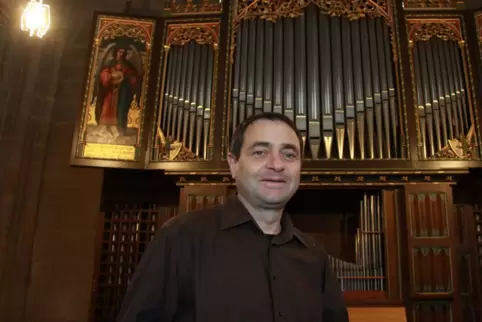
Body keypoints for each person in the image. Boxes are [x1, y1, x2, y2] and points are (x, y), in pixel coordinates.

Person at [116, 112, 349, 322]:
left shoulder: (315, 256)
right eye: (260, 152)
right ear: (233, 164)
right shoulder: (180, 238)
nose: (276, 164)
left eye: (289, 154)